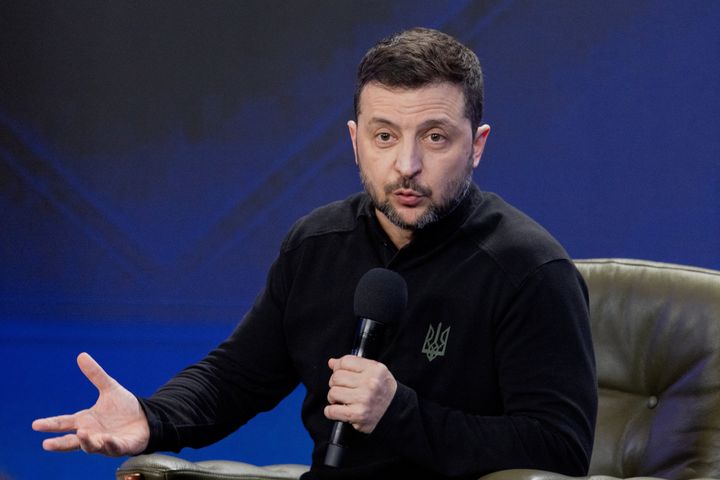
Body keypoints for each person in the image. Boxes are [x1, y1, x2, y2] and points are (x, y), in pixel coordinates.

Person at [33, 27, 597, 479]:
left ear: (476, 146)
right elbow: (235, 377)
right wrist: (152, 418)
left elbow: (559, 449)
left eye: (434, 137)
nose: (406, 165)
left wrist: (398, 412)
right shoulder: (317, 244)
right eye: (384, 137)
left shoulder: (530, 268)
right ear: (354, 142)